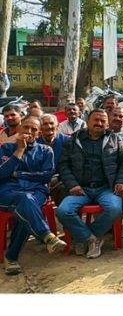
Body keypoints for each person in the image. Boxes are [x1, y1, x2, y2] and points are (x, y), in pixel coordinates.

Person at [56, 109, 123, 259]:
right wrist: (72, 185)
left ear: (107, 124)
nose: (99, 123)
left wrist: (121, 181)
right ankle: (91, 240)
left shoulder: (115, 140)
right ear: (87, 122)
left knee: (115, 209)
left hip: (106, 188)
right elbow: (63, 165)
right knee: (63, 211)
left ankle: (86, 236)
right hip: (80, 188)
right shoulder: (73, 140)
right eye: (96, 120)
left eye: (103, 121)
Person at [1, 116, 66, 275]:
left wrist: (17, 174)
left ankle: (11, 257)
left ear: (39, 133)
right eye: (26, 128)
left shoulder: (45, 151)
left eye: (34, 130)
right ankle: (47, 236)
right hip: (7, 192)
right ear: (19, 128)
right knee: (25, 202)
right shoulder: (5, 149)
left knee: (26, 203)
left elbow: (45, 176)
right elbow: (2, 174)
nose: (29, 132)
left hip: (36, 192)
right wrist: (20, 150)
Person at [37, 114, 70, 206]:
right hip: (40, 179)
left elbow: (72, 165)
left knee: (64, 190)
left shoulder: (68, 141)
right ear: (40, 127)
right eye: (45, 124)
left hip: (61, 179)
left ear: (57, 125)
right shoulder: (34, 143)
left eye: (51, 123)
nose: (49, 127)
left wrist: (57, 178)